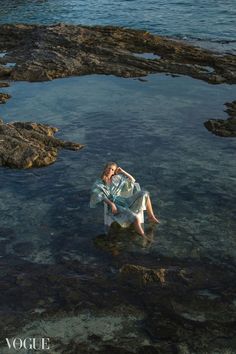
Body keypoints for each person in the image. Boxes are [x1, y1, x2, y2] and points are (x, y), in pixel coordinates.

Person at [90, 162, 160, 237]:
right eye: (109, 168)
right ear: (105, 169)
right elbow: (99, 195)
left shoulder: (117, 178)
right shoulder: (99, 182)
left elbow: (132, 180)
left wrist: (122, 171)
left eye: (112, 169)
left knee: (145, 193)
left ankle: (151, 217)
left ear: (114, 172)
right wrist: (111, 204)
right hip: (115, 205)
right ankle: (144, 237)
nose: (110, 170)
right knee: (135, 218)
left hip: (124, 200)